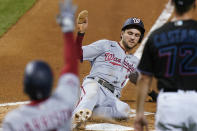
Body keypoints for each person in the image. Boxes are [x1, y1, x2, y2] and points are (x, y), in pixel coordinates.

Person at [2, 0, 80, 130]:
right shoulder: (64, 103)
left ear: (26, 87)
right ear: (50, 84)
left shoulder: (14, 121)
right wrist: (68, 30)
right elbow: (71, 65)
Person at [72, 12, 147, 127]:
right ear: (122, 33)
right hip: (95, 85)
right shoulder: (105, 45)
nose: (133, 37)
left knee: (124, 110)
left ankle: (85, 112)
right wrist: (81, 32)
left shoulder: (134, 61)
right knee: (92, 93)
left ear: (139, 39)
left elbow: (140, 80)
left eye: (137, 35)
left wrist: (153, 94)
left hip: (112, 97)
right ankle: (77, 121)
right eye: (130, 33)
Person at [134, 0, 197, 130]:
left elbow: (144, 78)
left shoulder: (156, 36)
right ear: (194, 3)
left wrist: (139, 113)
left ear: (172, 4)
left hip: (169, 105)